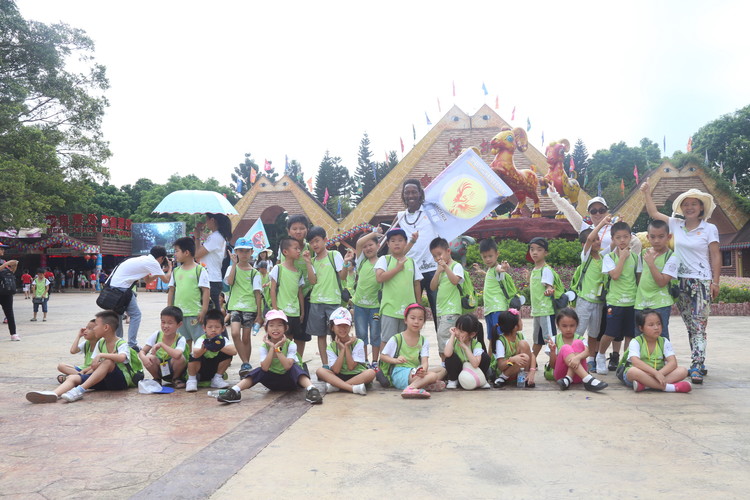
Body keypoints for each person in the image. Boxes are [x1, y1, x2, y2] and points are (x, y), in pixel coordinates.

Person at [548, 187, 642, 370]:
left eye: (601, 210)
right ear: (589, 213)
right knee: (581, 329)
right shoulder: (587, 233)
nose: (598, 213)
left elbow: (624, 243)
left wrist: (619, 230)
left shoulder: (607, 249)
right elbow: (570, 212)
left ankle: (596, 358)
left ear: (607, 210)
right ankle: (571, 356)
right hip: (587, 296)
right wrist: (554, 195)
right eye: (593, 211)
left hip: (605, 294)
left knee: (599, 331)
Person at [641, 183, 719, 384]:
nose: (689, 207)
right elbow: (653, 213)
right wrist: (647, 192)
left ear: (701, 207)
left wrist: (715, 282)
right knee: (690, 324)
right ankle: (698, 360)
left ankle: (697, 364)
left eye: (694, 204)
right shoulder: (676, 224)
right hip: (680, 281)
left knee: (699, 325)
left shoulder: (709, 228)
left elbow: (715, 255)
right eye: (686, 204)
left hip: (701, 281)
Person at [26, 310, 144, 403]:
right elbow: (94, 365)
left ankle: (79, 390)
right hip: (103, 380)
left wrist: (102, 355)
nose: (94, 328)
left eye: (96, 325)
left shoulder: (121, 343)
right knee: (73, 378)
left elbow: (122, 357)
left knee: (108, 362)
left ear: (106, 327)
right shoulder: (100, 343)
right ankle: (53, 394)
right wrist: (86, 370)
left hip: (121, 382)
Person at [216, 309, 323, 404]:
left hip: (291, 381)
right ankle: (234, 390)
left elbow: (287, 366)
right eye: (271, 325)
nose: (275, 329)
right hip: (272, 382)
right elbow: (265, 368)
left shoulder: (291, 344)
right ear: (266, 329)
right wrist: (272, 348)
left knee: (295, 368)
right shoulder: (264, 347)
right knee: (258, 371)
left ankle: (312, 390)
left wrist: (277, 349)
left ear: (286, 328)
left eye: (279, 325)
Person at [393, 179, 438, 327]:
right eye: (407, 192)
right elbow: (390, 242)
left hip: (432, 269)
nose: (410, 195)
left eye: (414, 192)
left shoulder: (431, 212)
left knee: (438, 311)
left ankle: (443, 342)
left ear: (420, 194)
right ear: (403, 195)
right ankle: (413, 342)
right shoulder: (400, 216)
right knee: (413, 314)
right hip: (410, 270)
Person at [596, 220, 639, 375]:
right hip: (615, 302)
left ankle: (626, 362)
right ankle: (601, 356)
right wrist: (622, 258)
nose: (622, 240)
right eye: (618, 237)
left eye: (626, 237)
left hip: (632, 302)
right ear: (613, 239)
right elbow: (615, 275)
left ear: (630, 237)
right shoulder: (608, 258)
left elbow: (638, 278)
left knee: (630, 335)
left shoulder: (635, 257)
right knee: (610, 333)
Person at [108, 245, 172, 348]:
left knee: (118, 315)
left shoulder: (144, 259)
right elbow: (166, 280)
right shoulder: (153, 262)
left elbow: (147, 280)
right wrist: (170, 268)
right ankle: (132, 344)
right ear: (161, 258)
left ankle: (118, 343)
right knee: (136, 315)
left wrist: (158, 272)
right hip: (123, 288)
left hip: (114, 287)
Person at [379, 303, 447, 399]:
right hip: (400, 373)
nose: (416, 322)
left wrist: (423, 370)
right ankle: (411, 388)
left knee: (443, 370)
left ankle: (423, 384)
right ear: (405, 320)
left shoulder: (423, 341)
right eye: (412, 318)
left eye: (420, 319)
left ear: (424, 322)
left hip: (415, 371)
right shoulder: (397, 338)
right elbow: (383, 356)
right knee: (432, 376)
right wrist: (395, 360)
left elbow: (424, 362)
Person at [619, 309, 692, 393]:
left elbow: (673, 363)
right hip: (641, 374)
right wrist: (655, 374)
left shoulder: (664, 341)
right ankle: (670, 387)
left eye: (659, 324)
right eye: (651, 325)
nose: (656, 327)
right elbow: (636, 362)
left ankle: (646, 385)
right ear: (641, 328)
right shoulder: (636, 341)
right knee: (632, 371)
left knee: (683, 371)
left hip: (659, 373)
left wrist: (659, 374)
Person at [305, 226, 347, 367]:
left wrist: (346, 263)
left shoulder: (334, 255)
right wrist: (308, 263)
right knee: (320, 335)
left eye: (317, 240)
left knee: (337, 335)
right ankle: (325, 364)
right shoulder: (312, 261)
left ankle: (338, 363)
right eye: (311, 242)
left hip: (333, 301)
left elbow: (343, 276)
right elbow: (312, 281)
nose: (315, 245)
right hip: (316, 301)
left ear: (325, 240)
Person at [474, 239, 524, 356]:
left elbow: (499, 270)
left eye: (490, 256)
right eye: (484, 257)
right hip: (490, 310)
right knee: (492, 336)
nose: (488, 259)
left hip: (497, 309)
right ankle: (491, 360)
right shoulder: (490, 270)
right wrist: (482, 272)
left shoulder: (497, 268)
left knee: (500, 336)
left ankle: (506, 358)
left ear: (497, 254)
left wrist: (503, 268)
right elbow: (493, 276)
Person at [375, 229, 423, 352]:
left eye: (400, 240)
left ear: (405, 243)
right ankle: (384, 364)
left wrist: (418, 305)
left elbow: (416, 284)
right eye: (393, 241)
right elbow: (379, 278)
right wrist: (397, 269)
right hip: (390, 309)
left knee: (408, 340)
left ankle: (405, 363)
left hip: (409, 312)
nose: (397, 243)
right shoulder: (384, 259)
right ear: (388, 244)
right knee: (387, 340)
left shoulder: (411, 262)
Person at [224, 237, 263, 378]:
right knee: (235, 333)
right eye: (241, 251)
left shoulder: (255, 273)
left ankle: (245, 366)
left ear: (252, 252)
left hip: (250, 308)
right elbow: (229, 282)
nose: (244, 254)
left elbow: (257, 294)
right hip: (235, 306)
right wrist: (234, 265)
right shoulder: (231, 268)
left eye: (247, 251)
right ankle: (245, 362)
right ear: (236, 252)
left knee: (246, 338)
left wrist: (259, 314)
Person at [315, 307, 376, 395]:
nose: (342, 328)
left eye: (346, 325)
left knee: (371, 372)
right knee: (320, 371)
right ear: (332, 327)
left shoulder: (358, 342)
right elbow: (336, 370)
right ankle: (352, 388)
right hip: (339, 375)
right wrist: (342, 349)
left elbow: (351, 367)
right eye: (339, 325)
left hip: (356, 375)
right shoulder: (331, 346)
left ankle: (337, 386)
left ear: (350, 327)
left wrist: (346, 347)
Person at [635, 220, 679, 340]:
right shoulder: (643, 254)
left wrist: (651, 263)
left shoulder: (671, 257)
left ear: (668, 237)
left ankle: (664, 354)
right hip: (641, 302)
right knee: (639, 337)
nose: (656, 240)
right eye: (653, 237)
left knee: (660, 336)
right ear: (648, 237)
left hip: (661, 303)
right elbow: (639, 276)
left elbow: (662, 282)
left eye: (661, 236)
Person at [270, 236, 313, 355]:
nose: (299, 251)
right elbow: (272, 290)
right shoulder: (278, 268)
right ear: (285, 252)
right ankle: (279, 359)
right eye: (295, 248)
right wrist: (275, 310)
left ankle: (292, 360)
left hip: (295, 312)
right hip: (282, 312)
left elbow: (300, 293)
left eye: (299, 249)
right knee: (281, 339)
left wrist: (302, 312)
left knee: (292, 339)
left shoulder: (298, 272)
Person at [548, 308, 608, 392]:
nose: (568, 329)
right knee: (565, 347)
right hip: (561, 377)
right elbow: (553, 365)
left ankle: (568, 378)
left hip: (578, 376)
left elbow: (587, 352)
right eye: (564, 326)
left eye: (572, 325)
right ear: (558, 325)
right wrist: (552, 351)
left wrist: (577, 358)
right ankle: (588, 379)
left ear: (577, 325)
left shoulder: (581, 339)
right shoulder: (554, 340)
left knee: (577, 343)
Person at [168, 237, 210, 347]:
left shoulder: (200, 270)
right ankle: (187, 359)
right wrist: (169, 309)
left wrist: (204, 310)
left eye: (177, 251)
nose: (175, 254)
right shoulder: (175, 271)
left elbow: (206, 291)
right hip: (179, 315)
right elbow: (171, 290)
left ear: (186, 252)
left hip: (195, 314)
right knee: (184, 344)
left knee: (200, 343)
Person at [527, 237, 556, 386]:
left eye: (539, 249)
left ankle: (556, 365)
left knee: (550, 341)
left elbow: (549, 286)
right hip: (537, 312)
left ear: (546, 252)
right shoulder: (535, 270)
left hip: (545, 311)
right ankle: (531, 363)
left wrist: (549, 290)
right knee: (537, 340)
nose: (535, 252)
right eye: (532, 249)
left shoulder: (546, 270)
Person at [351, 231, 383, 368]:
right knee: (361, 334)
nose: (368, 248)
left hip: (376, 306)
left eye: (371, 245)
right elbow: (358, 243)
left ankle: (375, 361)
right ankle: (364, 361)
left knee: (375, 334)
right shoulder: (361, 261)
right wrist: (374, 233)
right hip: (360, 306)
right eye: (365, 246)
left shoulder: (383, 261)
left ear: (378, 245)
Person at [429, 237, 465, 361]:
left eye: (439, 254)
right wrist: (438, 272)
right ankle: (445, 363)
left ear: (448, 251)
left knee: (444, 336)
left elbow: (455, 281)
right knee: (442, 338)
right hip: (441, 311)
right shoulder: (440, 269)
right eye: (434, 256)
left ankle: (447, 364)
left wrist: (445, 267)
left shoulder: (456, 266)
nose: (437, 258)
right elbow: (432, 287)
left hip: (451, 310)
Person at [279, 215, 315, 334]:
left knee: (301, 332)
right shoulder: (283, 247)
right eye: (294, 229)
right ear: (288, 231)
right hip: (286, 295)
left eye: (302, 228)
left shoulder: (311, 248)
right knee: (284, 331)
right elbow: (278, 266)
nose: (298, 231)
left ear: (307, 230)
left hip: (305, 294)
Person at [186, 309, 237, 392]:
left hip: (214, 369)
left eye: (217, 327)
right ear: (204, 328)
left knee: (228, 354)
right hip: (201, 370)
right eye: (210, 327)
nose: (213, 330)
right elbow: (195, 354)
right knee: (193, 356)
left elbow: (234, 352)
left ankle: (217, 378)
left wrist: (218, 346)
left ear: (223, 328)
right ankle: (192, 380)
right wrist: (203, 349)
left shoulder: (223, 340)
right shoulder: (202, 339)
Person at [578, 223, 606, 373]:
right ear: (584, 245)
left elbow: (614, 244)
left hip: (598, 302)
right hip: (584, 301)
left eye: (598, 239)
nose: (596, 242)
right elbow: (589, 238)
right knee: (578, 331)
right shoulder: (585, 256)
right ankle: (573, 355)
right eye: (593, 240)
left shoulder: (602, 257)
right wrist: (602, 223)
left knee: (594, 333)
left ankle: (591, 359)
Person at [139, 306, 189, 388]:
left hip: (174, 368)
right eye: (163, 322)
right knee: (150, 358)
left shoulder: (180, 339)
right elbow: (142, 351)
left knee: (180, 358)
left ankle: (176, 379)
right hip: (159, 367)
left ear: (179, 324)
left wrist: (162, 344)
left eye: (170, 323)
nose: (165, 326)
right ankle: (157, 379)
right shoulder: (157, 335)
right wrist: (144, 358)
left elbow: (177, 355)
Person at [443, 314, 492, 389]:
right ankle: (453, 380)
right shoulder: (453, 342)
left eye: (461, 331)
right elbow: (447, 354)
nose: (458, 333)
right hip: (458, 371)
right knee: (450, 358)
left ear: (472, 334)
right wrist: (452, 335)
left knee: (485, 357)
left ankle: (481, 379)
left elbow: (475, 364)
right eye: (457, 329)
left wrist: (465, 348)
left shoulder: (476, 344)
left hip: (473, 372)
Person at [194, 213, 232, 310]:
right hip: (212, 278)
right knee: (212, 312)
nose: (206, 222)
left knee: (211, 313)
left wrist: (197, 237)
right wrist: (200, 232)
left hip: (211, 279)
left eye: (207, 219)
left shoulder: (215, 237)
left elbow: (197, 254)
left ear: (212, 220)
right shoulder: (217, 236)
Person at [491, 309, 535, 388]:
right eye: (520, 321)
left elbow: (532, 355)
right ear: (515, 327)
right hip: (507, 369)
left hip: (519, 369)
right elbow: (501, 366)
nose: (522, 322)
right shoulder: (501, 341)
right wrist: (512, 360)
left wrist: (532, 371)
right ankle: (502, 378)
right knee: (520, 360)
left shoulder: (520, 336)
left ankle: (525, 376)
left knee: (523, 344)